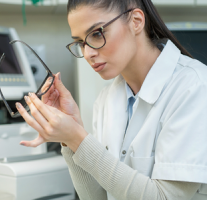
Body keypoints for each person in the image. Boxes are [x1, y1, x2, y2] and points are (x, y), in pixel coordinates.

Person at [15, 0, 207, 199]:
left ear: (136, 21)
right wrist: (70, 139)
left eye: (97, 34)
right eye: (80, 42)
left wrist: (78, 139)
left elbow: (166, 197)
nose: (88, 53)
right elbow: (97, 197)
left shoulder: (194, 88)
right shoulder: (107, 99)